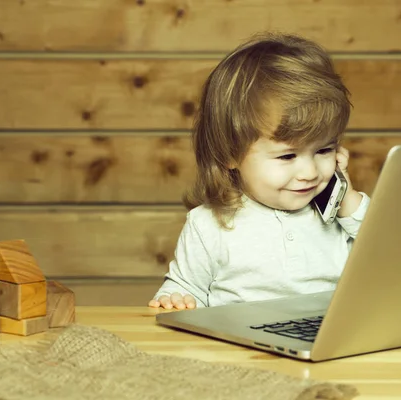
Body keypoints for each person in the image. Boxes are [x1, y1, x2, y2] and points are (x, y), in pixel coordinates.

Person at [148, 32, 370, 310]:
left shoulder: (343, 214)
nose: (310, 172)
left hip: (328, 342)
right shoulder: (208, 225)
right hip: (237, 348)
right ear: (231, 154)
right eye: (288, 155)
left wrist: (347, 199)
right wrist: (173, 299)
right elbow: (184, 286)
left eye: (324, 150)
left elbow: (392, 254)